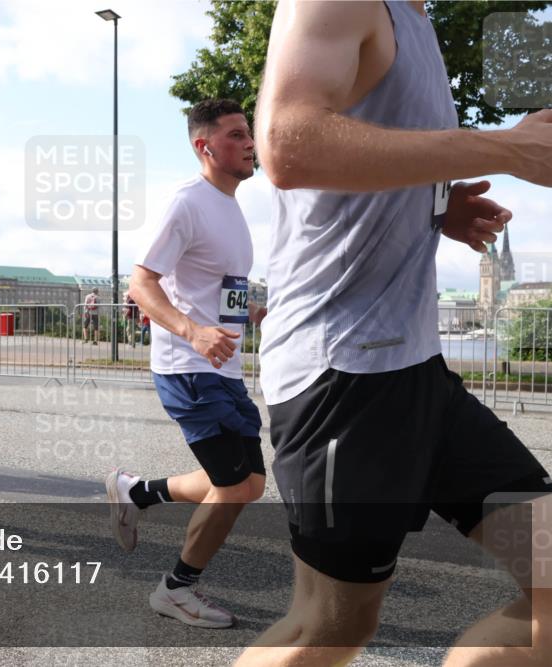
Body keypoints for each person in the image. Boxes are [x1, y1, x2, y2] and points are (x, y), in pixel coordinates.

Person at [235, 2, 552, 665]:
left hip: (417, 368)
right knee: (327, 629)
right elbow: (290, 143)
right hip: (342, 374)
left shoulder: (416, 16)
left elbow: (358, 161)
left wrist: (437, 205)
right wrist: (506, 145)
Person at [107, 99, 268, 628]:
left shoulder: (232, 207)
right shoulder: (187, 202)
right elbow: (142, 282)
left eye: (249, 133)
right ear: (206, 146)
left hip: (223, 368)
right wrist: (193, 331)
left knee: (249, 484)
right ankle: (175, 590)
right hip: (187, 367)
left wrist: (252, 314)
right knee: (234, 485)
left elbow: (219, 291)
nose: (250, 142)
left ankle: (137, 492)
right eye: (238, 134)